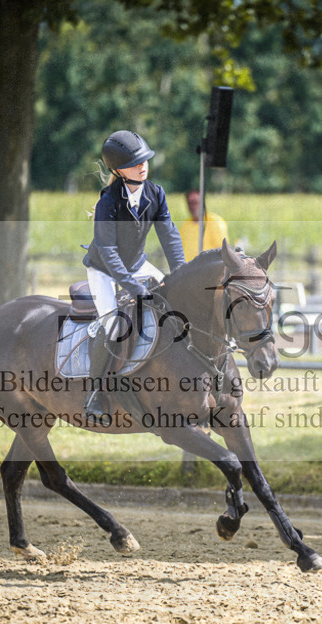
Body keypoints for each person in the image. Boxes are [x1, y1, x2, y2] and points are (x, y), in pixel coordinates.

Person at [82, 130, 186, 421]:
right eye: (136, 163)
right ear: (118, 170)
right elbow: (108, 252)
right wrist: (133, 288)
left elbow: (170, 237)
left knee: (172, 302)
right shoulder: (108, 202)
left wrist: (180, 273)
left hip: (137, 263)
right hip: (104, 269)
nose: (143, 166)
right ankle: (94, 394)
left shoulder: (156, 193)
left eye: (145, 161)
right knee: (114, 325)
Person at [177, 189, 229, 261]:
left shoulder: (214, 221)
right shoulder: (185, 225)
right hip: (187, 269)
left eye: (195, 202)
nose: (192, 206)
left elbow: (222, 250)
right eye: (189, 203)